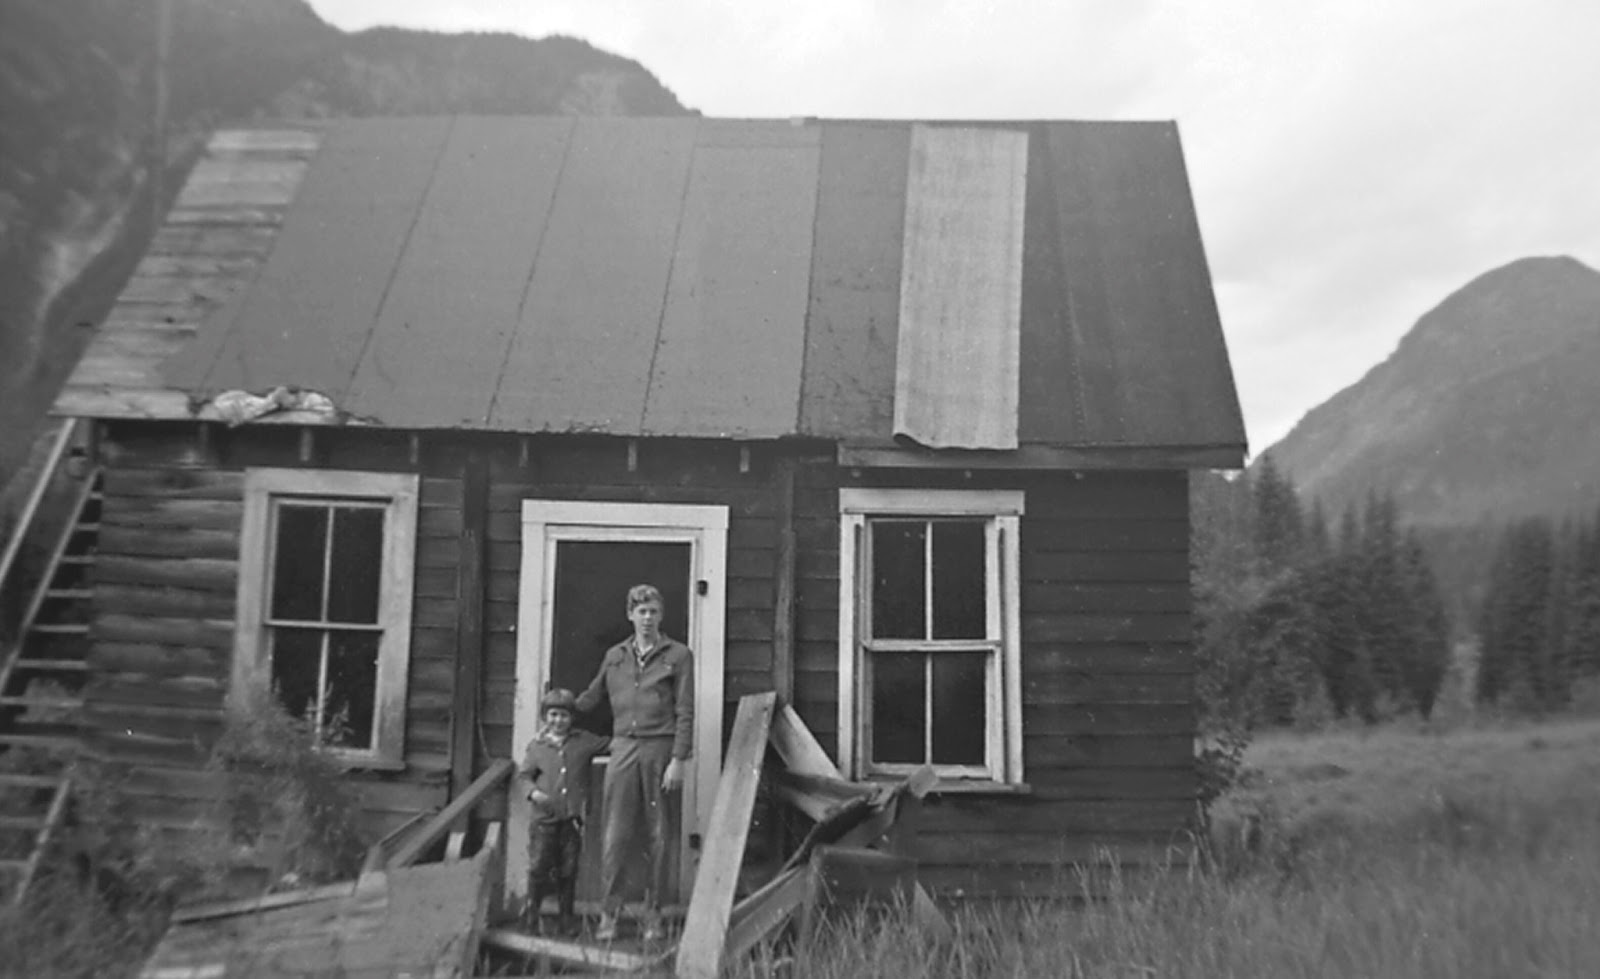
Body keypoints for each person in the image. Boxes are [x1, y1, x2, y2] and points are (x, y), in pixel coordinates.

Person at [576, 583, 694, 943]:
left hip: (660, 750)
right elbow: (592, 696)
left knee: (659, 834)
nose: (647, 618)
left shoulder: (678, 655)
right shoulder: (615, 656)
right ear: (630, 615)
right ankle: (609, 914)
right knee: (615, 833)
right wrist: (559, 711)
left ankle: (654, 915)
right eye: (641, 611)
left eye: (653, 611)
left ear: (661, 615)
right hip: (623, 748)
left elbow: (685, 710)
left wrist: (679, 759)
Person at [518, 687, 608, 937]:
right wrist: (534, 793)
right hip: (543, 821)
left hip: (571, 820)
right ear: (545, 717)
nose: (559, 721)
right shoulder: (537, 746)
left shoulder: (584, 741)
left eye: (564, 716)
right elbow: (524, 776)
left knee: (568, 870)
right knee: (538, 868)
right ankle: (531, 916)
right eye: (553, 715)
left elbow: (611, 744)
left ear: (573, 719)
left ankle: (566, 919)